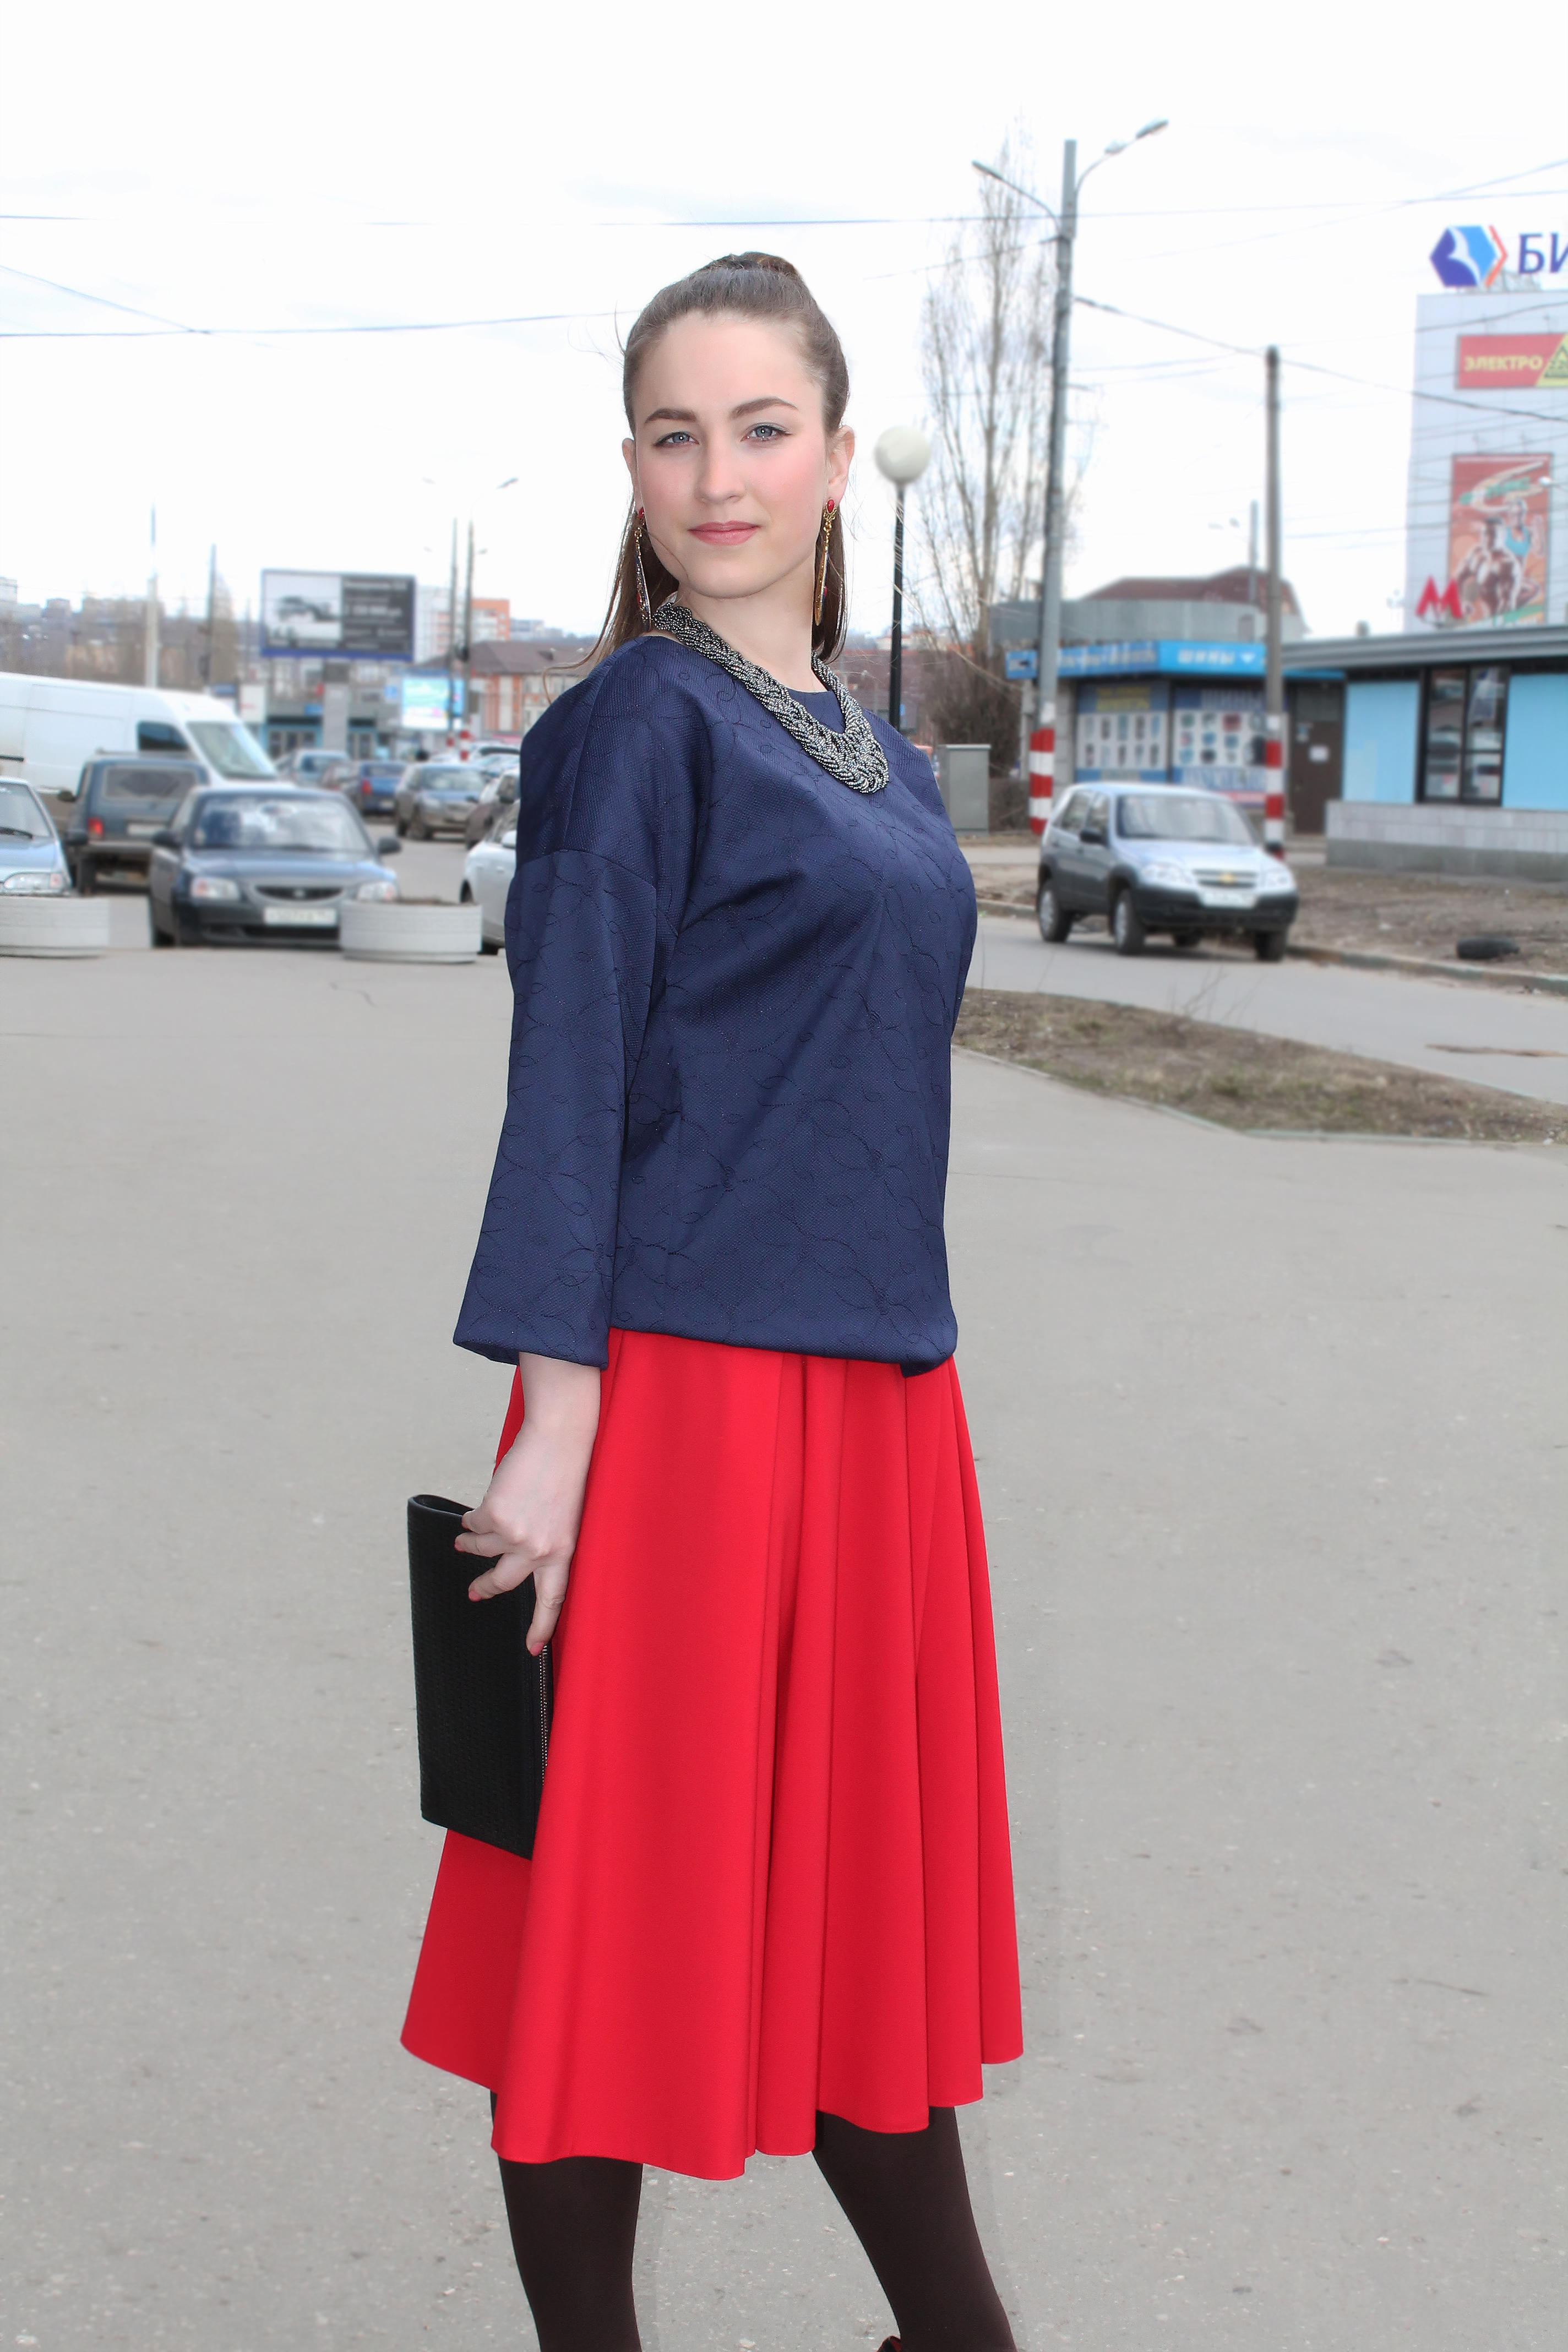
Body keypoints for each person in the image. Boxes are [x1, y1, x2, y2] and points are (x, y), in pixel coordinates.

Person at [401, 252, 1023, 2352]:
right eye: (677, 435)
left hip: (881, 1411)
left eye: (763, 428)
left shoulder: (887, 758)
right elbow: (568, 1080)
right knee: (607, 1930)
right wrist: (557, 1428)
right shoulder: (630, 728)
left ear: (838, 457)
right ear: (637, 468)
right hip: (676, 1407)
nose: (720, 474)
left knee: (859, 1947)